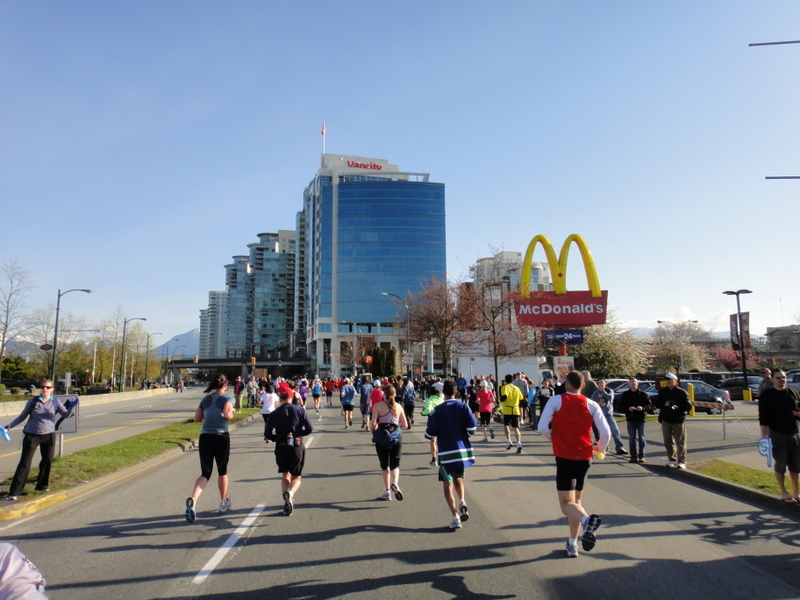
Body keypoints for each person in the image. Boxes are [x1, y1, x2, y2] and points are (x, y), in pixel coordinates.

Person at [538, 370, 609, 558]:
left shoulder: (556, 401)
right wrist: (600, 448)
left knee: (565, 505)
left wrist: (554, 439)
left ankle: (587, 521)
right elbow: (606, 432)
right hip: (585, 456)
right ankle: (572, 543)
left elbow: (542, 427)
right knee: (576, 502)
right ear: (583, 385)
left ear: (567, 383)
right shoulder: (591, 404)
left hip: (565, 455)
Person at [5, 379, 76, 501]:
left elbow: (66, 415)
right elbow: (22, 417)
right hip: (32, 435)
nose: (45, 389)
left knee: (47, 460)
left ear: (52, 389)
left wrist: (71, 408)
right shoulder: (33, 402)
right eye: (43, 387)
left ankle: (42, 485)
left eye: (48, 387)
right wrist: (9, 427)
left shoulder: (55, 402)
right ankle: (15, 492)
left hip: (48, 434)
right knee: (25, 463)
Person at [425, 379, 478, 529]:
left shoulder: (438, 409)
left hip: (446, 451)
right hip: (461, 451)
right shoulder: (463, 407)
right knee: (458, 478)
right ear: (456, 392)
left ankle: (455, 517)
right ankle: (462, 500)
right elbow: (472, 429)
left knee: (447, 485)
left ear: (443, 392)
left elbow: (430, 433)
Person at [185, 374, 235, 522]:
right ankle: (223, 501)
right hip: (221, 436)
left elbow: (197, 418)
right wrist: (231, 414)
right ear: (225, 385)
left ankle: (193, 499)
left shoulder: (205, 399)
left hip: (205, 437)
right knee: (222, 470)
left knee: (205, 472)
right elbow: (227, 413)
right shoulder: (228, 399)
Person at [265, 388, 314, 515]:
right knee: (296, 477)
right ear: (292, 398)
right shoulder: (300, 410)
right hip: (296, 444)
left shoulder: (275, 413)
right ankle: (290, 494)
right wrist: (299, 433)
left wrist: (277, 438)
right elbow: (309, 428)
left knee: (285, 475)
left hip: (281, 446)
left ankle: (287, 500)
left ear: (280, 399)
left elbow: (267, 434)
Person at [758, 369, 800, 503]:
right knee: (781, 463)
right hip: (777, 433)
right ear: (772, 379)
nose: (781, 380)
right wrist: (763, 435)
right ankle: (783, 492)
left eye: (783, 377)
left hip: (794, 432)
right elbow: (763, 416)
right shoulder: (767, 395)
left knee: (796, 465)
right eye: (778, 378)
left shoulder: (792, 393)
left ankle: (796, 492)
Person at [371, 385, 409, 500]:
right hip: (396, 437)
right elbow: (405, 425)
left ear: (384, 394)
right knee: (395, 464)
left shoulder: (378, 406)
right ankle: (395, 483)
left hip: (382, 437)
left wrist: (376, 427)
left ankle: (387, 491)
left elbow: (373, 424)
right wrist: (395, 426)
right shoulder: (398, 407)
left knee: (384, 466)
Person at [654, 373, 692, 469]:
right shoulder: (662, 392)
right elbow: (657, 403)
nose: (668, 381)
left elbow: (688, 406)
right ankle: (672, 459)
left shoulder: (682, 392)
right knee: (667, 441)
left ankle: (681, 461)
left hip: (678, 419)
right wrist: (664, 403)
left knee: (680, 441)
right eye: (667, 380)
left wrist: (678, 407)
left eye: (670, 379)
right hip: (666, 419)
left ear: (675, 381)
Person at [617, 378, 651, 463]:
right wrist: (628, 408)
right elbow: (621, 406)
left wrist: (642, 408)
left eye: (635, 382)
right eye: (632, 382)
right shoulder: (626, 394)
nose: (633, 383)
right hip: (631, 419)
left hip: (641, 418)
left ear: (637, 383)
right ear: (629, 383)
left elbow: (650, 405)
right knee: (632, 438)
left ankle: (641, 456)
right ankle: (633, 456)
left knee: (641, 438)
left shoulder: (643, 394)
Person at [591, 378, 626, 455]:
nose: (601, 384)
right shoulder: (595, 394)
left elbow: (610, 398)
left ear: (605, 384)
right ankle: (605, 448)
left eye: (602, 383)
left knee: (615, 431)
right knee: (603, 433)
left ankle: (619, 448)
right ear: (597, 385)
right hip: (600, 416)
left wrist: (603, 391)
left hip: (608, 415)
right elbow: (593, 404)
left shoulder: (609, 391)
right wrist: (598, 404)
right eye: (599, 383)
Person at [421, 381, 445, 465]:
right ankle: (441, 458)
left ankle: (434, 459)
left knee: (432, 441)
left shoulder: (429, 400)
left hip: (433, 421)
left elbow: (428, 409)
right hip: (442, 421)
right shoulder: (441, 400)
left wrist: (423, 413)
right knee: (441, 441)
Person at [499, 374, 524, 453]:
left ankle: (509, 440)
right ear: (512, 380)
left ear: (505, 380)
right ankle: (519, 443)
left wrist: (500, 400)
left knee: (506, 425)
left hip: (507, 409)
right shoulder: (517, 388)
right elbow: (521, 398)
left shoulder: (504, 387)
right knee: (515, 427)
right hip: (515, 409)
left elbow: (504, 396)